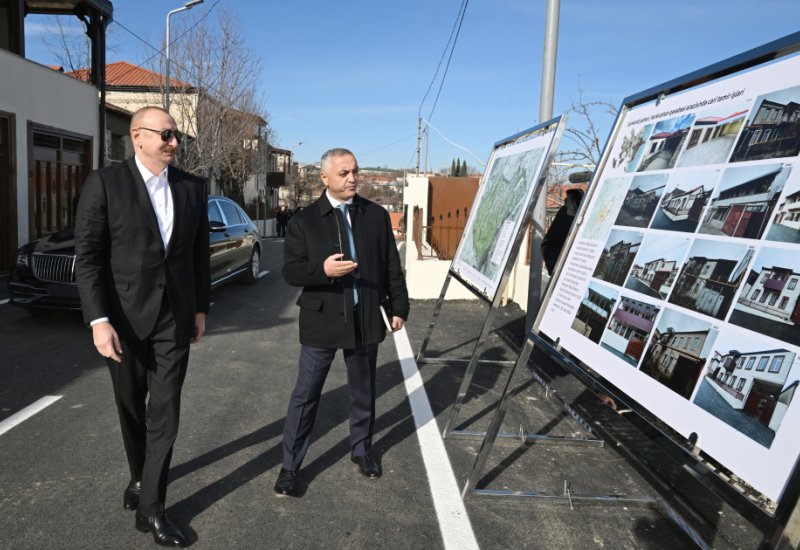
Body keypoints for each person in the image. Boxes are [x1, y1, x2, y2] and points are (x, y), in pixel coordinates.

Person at [75, 106, 210, 547]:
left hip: (175, 317)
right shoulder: (105, 184)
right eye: (166, 135)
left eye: (177, 137)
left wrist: (200, 309)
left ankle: (153, 507)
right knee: (131, 407)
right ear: (137, 136)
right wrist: (99, 321)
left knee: (165, 410)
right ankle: (140, 476)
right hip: (125, 320)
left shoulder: (192, 188)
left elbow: (196, 255)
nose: (173, 142)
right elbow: (90, 258)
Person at [274, 147, 409, 497]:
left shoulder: (376, 216)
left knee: (363, 391)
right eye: (344, 173)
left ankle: (362, 450)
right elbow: (290, 271)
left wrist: (399, 307)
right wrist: (323, 271)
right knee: (306, 396)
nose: (352, 179)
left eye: (355, 172)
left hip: (365, 317)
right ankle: (290, 467)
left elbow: (391, 266)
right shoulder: (304, 221)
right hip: (321, 321)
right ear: (324, 178)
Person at [541, 188, 583, 275]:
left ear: (575, 202)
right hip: (559, 266)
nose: (565, 201)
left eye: (567, 199)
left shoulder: (581, 214)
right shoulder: (564, 214)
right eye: (565, 199)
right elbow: (548, 245)